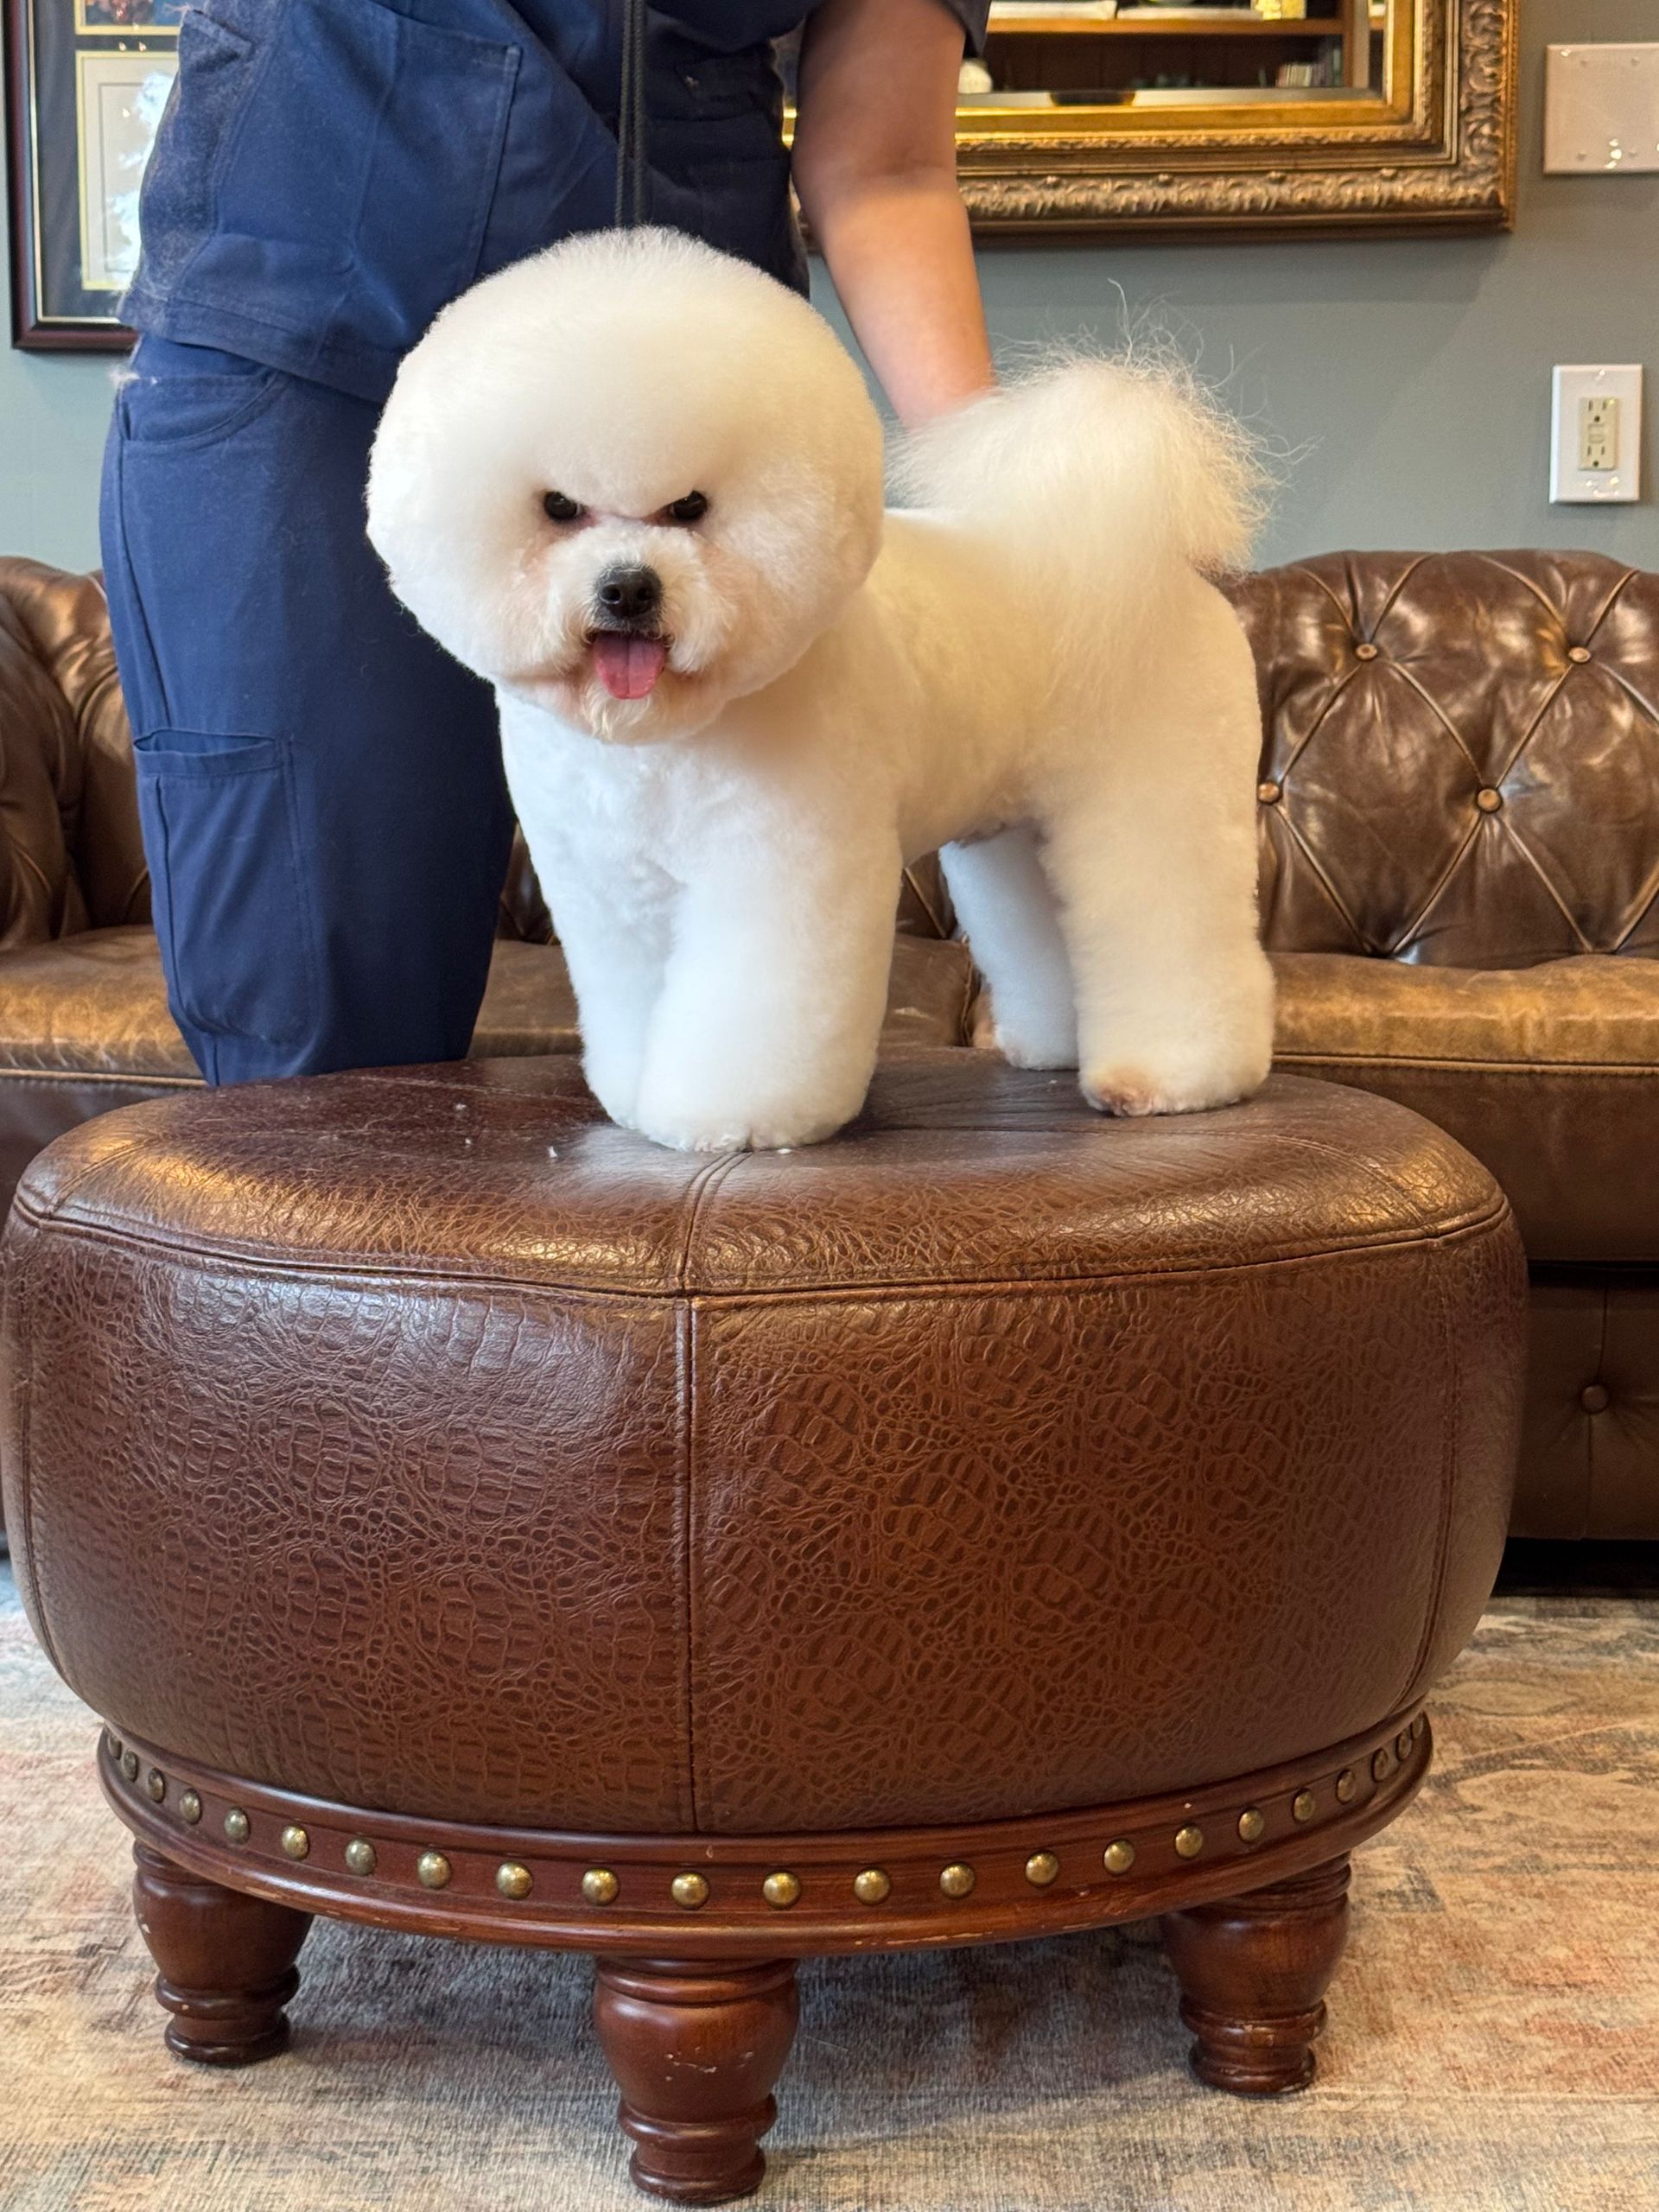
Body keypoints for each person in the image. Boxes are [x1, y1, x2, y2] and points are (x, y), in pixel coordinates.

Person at [99, 0, 995, 1087]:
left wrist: (1006, 500)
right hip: (304, 347)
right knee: (320, 1050)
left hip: (691, 422)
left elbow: (887, 166)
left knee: (740, 1059)